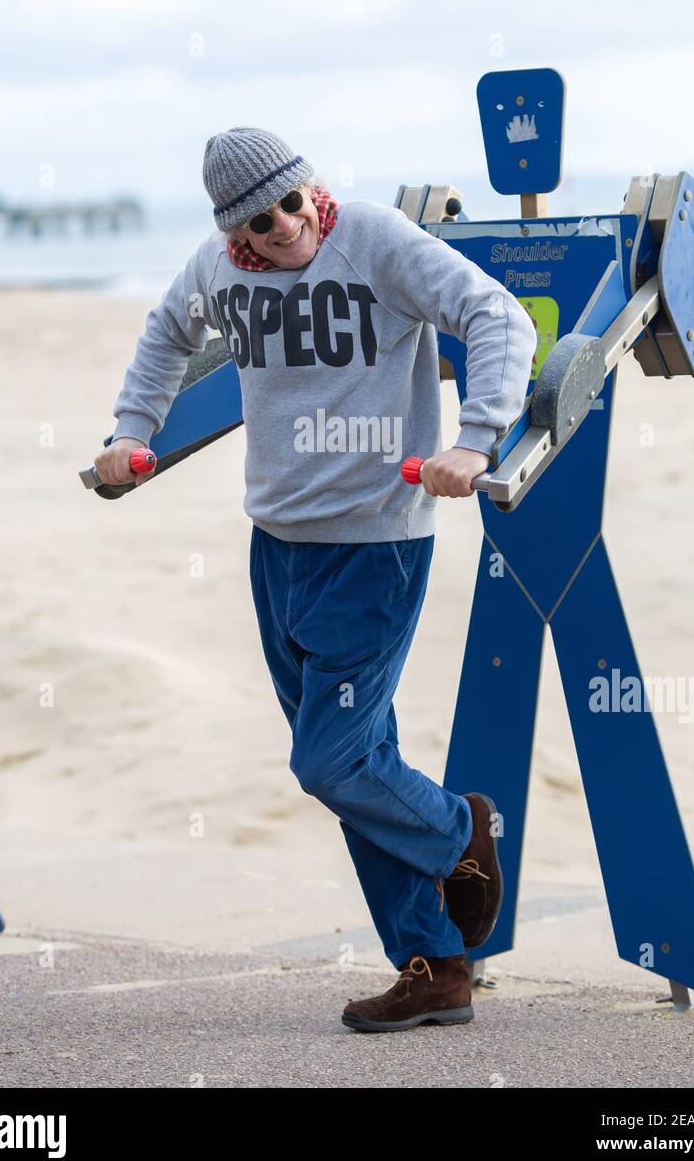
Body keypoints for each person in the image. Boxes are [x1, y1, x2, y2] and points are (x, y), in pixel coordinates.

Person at [95, 127, 536, 1033]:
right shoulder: (218, 273)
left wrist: (476, 437)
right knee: (355, 770)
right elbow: (164, 335)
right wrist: (128, 430)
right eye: (263, 218)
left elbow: (499, 317)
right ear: (235, 232)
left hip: (375, 544)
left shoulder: (373, 238)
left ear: (311, 190)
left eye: (296, 201)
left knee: (330, 761)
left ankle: (462, 832)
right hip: (279, 546)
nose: (289, 223)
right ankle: (435, 967)